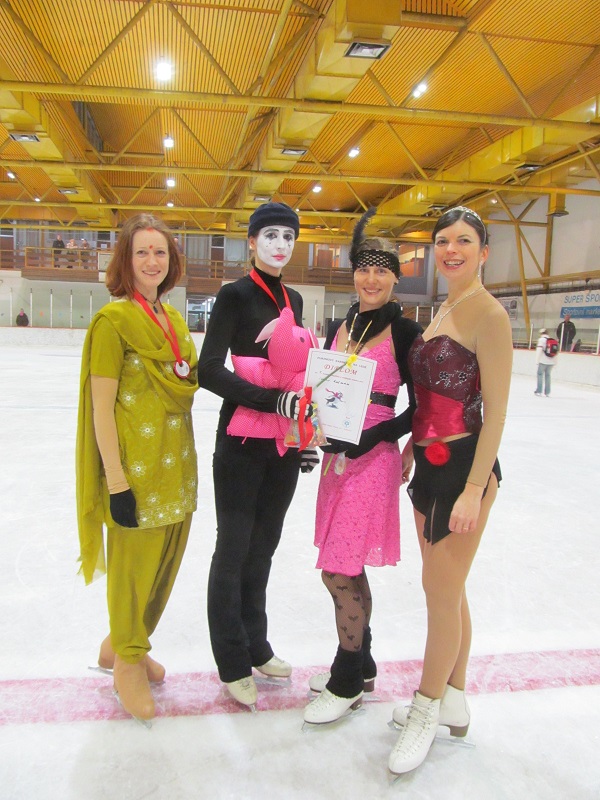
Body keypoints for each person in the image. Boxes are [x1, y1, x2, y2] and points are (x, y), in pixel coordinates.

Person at [388, 206, 512, 775]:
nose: (451, 249)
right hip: (430, 464)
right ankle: (454, 699)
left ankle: (426, 707)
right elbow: (431, 396)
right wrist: (412, 445)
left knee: (438, 592)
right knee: (448, 590)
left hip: (465, 468)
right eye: (442, 241)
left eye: (464, 241)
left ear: (483, 252)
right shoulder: (443, 308)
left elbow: (497, 413)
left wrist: (473, 489)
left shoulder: (489, 314)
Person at [76, 213, 198, 722]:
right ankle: (127, 660)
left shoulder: (174, 321)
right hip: (135, 474)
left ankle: (125, 643)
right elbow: (100, 409)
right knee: (133, 573)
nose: (152, 261)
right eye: (141, 251)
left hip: (177, 470)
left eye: (160, 252)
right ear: (125, 260)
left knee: (163, 569)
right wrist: (117, 481)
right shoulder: (113, 323)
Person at [303, 208, 422, 725]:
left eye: (382, 270)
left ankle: (346, 678)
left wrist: (378, 435)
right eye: (364, 269)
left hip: (373, 460)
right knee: (348, 566)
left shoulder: (405, 331)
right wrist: (312, 433)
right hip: (336, 459)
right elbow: (322, 388)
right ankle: (363, 662)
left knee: (337, 569)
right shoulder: (340, 325)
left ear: (395, 278)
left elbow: (420, 407)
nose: (371, 279)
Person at [197, 202, 317, 710]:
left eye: (288, 236)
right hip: (241, 443)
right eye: (270, 235)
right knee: (234, 549)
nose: (280, 244)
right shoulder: (234, 295)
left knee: (263, 547)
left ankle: (257, 644)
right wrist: (272, 402)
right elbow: (208, 369)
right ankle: (231, 659)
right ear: (251, 242)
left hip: (283, 446)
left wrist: (305, 435)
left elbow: (298, 374)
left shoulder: (294, 298)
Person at [534, 328, 556, 397]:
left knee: (540, 374)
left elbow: (539, 350)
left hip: (543, 361)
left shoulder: (541, 340)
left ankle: (539, 391)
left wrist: (537, 360)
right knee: (548, 375)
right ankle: (547, 392)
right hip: (551, 361)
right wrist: (555, 362)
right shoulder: (553, 340)